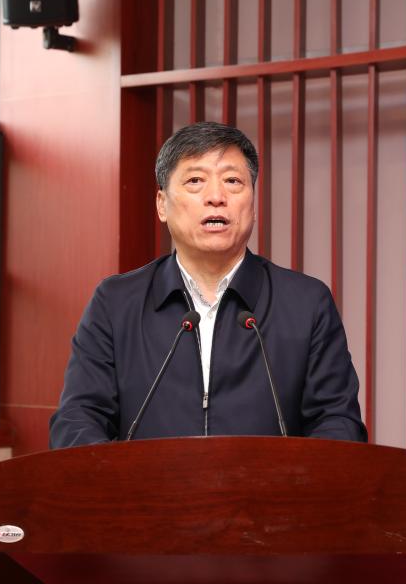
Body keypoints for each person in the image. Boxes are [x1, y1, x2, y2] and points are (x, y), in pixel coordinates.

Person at [49, 122, 366, 447]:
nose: (216, 197)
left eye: (232, 181)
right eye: (195, 181)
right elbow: (77, 421)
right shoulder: (116, 303)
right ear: (162, 205)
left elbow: (338, 423)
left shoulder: (306, 304)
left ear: (253, 204)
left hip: (273, 483)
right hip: (144, 483)